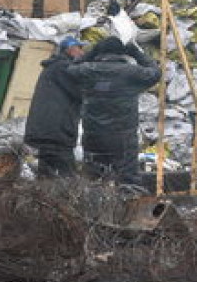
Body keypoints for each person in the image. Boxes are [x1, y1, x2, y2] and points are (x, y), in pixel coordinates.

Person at [64, 36, 161, 188]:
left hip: (93, 136)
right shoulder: (130, 72)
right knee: (127, 181)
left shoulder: (87, 71)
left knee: (93, 179)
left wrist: (91, 52)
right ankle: (126, 208)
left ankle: (92, 209)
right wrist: (135, 52)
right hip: (122, 137)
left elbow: (69, 69)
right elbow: (155, 73)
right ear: (122, 53)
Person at [23, 36, 86, 178]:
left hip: (47, 131)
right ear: (70, 50)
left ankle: (45, 198)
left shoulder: (55, 67)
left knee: (46, 175)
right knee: (68, 177)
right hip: (56, 132)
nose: (82, 53)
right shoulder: (62, 68)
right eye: (79, 48)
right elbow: (81, 92)